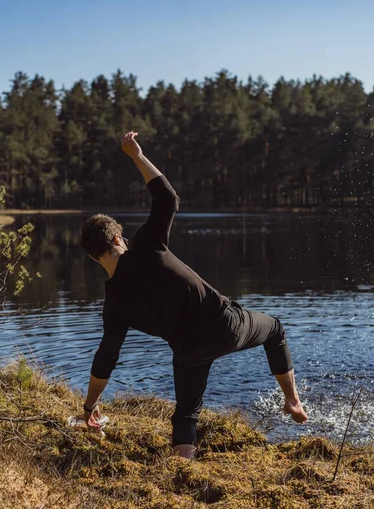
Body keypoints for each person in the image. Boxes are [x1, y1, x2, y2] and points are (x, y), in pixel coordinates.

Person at [79, 131, 308, 459]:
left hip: (188, 351)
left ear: (92, 257)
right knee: (275, 329)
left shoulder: (114, 304)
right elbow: (168, 199)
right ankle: (293, 401)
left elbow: (105, 359)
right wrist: (136, 155)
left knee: (186, 413)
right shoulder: (145, 246)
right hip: (225, 325)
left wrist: (89, 407)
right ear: (118, 239)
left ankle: (180, 472)